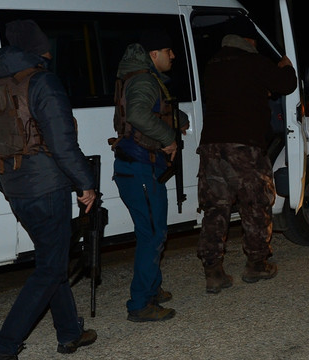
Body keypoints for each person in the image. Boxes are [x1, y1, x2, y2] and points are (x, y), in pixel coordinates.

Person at [0, 20, 97, 359]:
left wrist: (10, 188)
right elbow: (62, 143)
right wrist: (85, 182)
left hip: (19, 193)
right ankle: (3, 345)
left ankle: (70, 333)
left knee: (52, 260)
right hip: (48, 189)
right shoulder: (43, 82)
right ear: (39, 51)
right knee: (51, 268)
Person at [196, 16, 297, 293]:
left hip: (212, 146)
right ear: (250, 40)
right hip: (245, 147)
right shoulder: (253, 61)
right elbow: (286, 85)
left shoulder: (212, 64)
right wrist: (286, 67)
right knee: (255, 205)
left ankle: (213, 271)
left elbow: (235, 92)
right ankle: (257, 264)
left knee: (216, 208)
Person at [111, 29, 189, 322]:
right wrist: (169, 138)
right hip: (140, 169)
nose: (173, 55)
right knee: (151, 235)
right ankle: (140, 304)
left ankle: (152, 289)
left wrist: (177, 121)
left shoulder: (140, 78)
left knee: (155, 233)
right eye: (168, 51)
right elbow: (138, 116)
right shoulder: (144, 79)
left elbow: (153, 112)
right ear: (153, 54)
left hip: (139, 169)